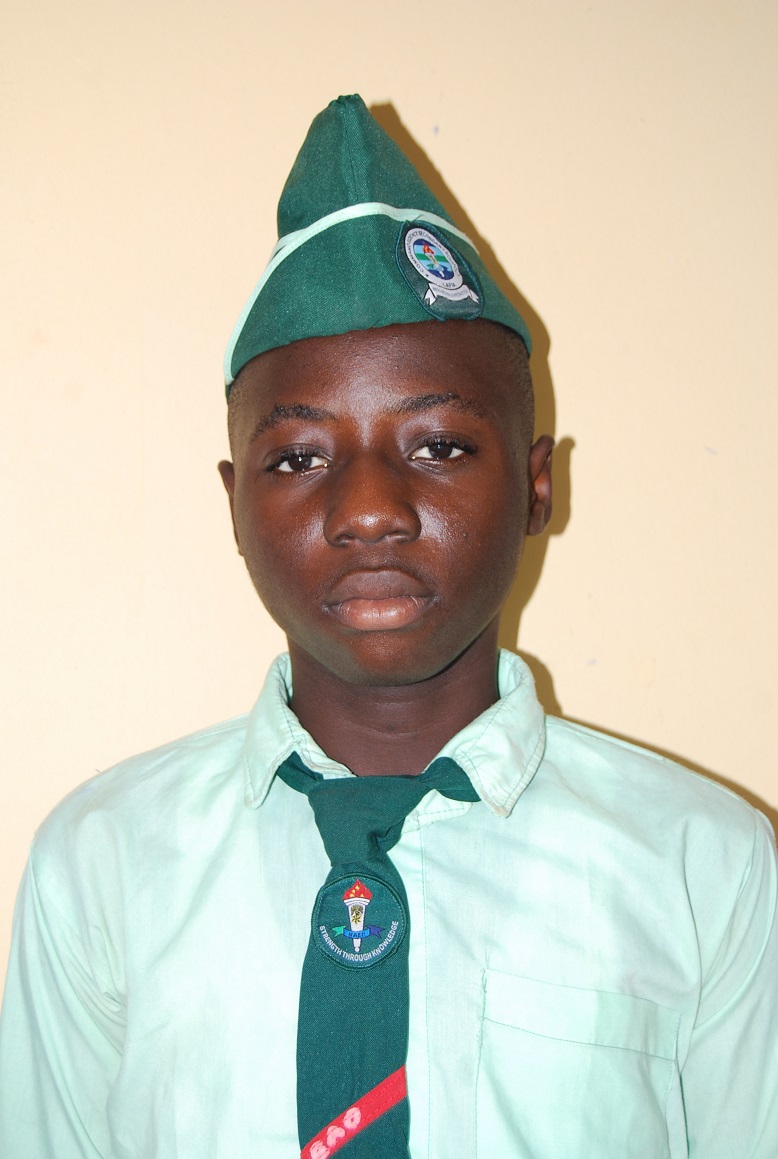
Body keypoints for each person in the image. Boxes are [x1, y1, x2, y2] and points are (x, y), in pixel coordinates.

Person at [0, 94, 776, 1159]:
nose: (369, 509)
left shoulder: (704, 867)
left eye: (440, 446)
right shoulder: (103, 866)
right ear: (234, 504)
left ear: (537, 486)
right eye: (299, 457)